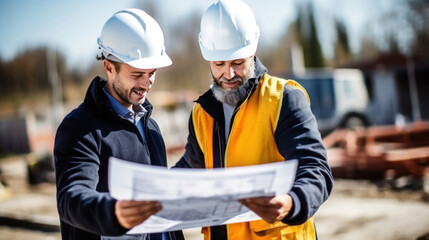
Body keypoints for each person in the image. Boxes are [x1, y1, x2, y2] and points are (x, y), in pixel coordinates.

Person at [173, 0, 334, 239]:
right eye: (219, 64)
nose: (228, 74)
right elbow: (192, 168)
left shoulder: (283, 99)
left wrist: (293, 202)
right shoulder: (202, 111)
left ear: (253, 51)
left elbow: (315, 168)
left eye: (238, 62)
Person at [54, 9, 184, 240]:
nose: (147, 83)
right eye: (137, 74)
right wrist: (115, 213)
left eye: (152, 73)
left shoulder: (151, 128)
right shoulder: (80, 128)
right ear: (109, 66)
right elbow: (71, 198)